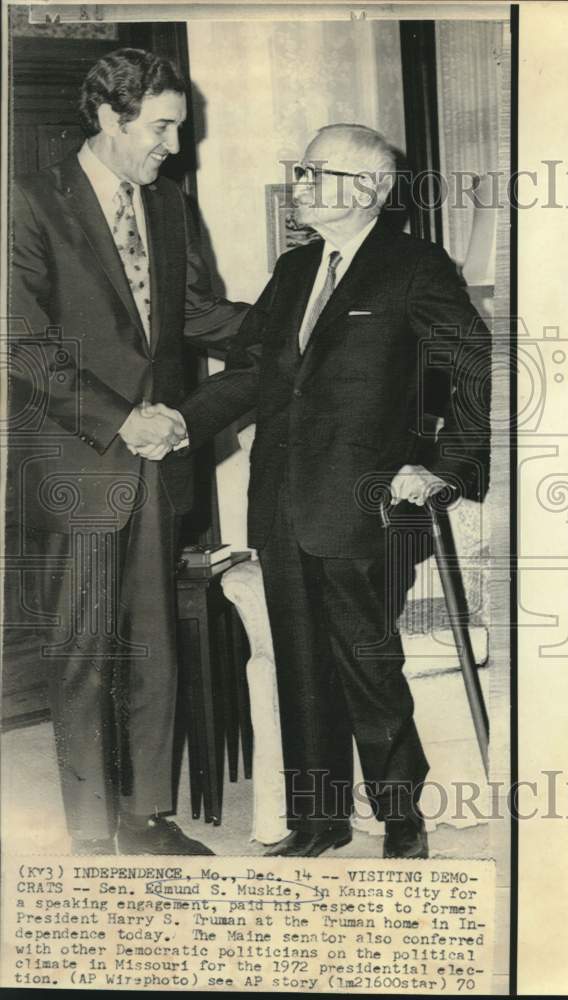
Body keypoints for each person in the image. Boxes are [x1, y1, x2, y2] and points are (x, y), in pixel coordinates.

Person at [169, 123, 490, 858]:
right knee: (301, 664)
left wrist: (440, 468)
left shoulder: (413, 266)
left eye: (315, 173)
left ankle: (400, 819)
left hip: (367, 504)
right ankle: (319, 820)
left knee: (367, 662)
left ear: (369, 189)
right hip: (281, 499)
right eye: (300, 170)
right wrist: (177, 426)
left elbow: (471, 366)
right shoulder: (292, 271)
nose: (299, 185)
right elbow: (250, 375)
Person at [6, 48, 247, 855]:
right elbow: (24, 346)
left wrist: (301, 318)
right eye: (161, 127)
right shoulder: (28, 203)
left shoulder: (169, 205)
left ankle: (146, 816)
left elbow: (199, 316)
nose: (173, 145)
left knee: (154, 646)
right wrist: (121, 420)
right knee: (81, 654)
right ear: (109, 118)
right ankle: (87, 837)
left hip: (157, 466)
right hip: (80, 463)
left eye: (178, 127)